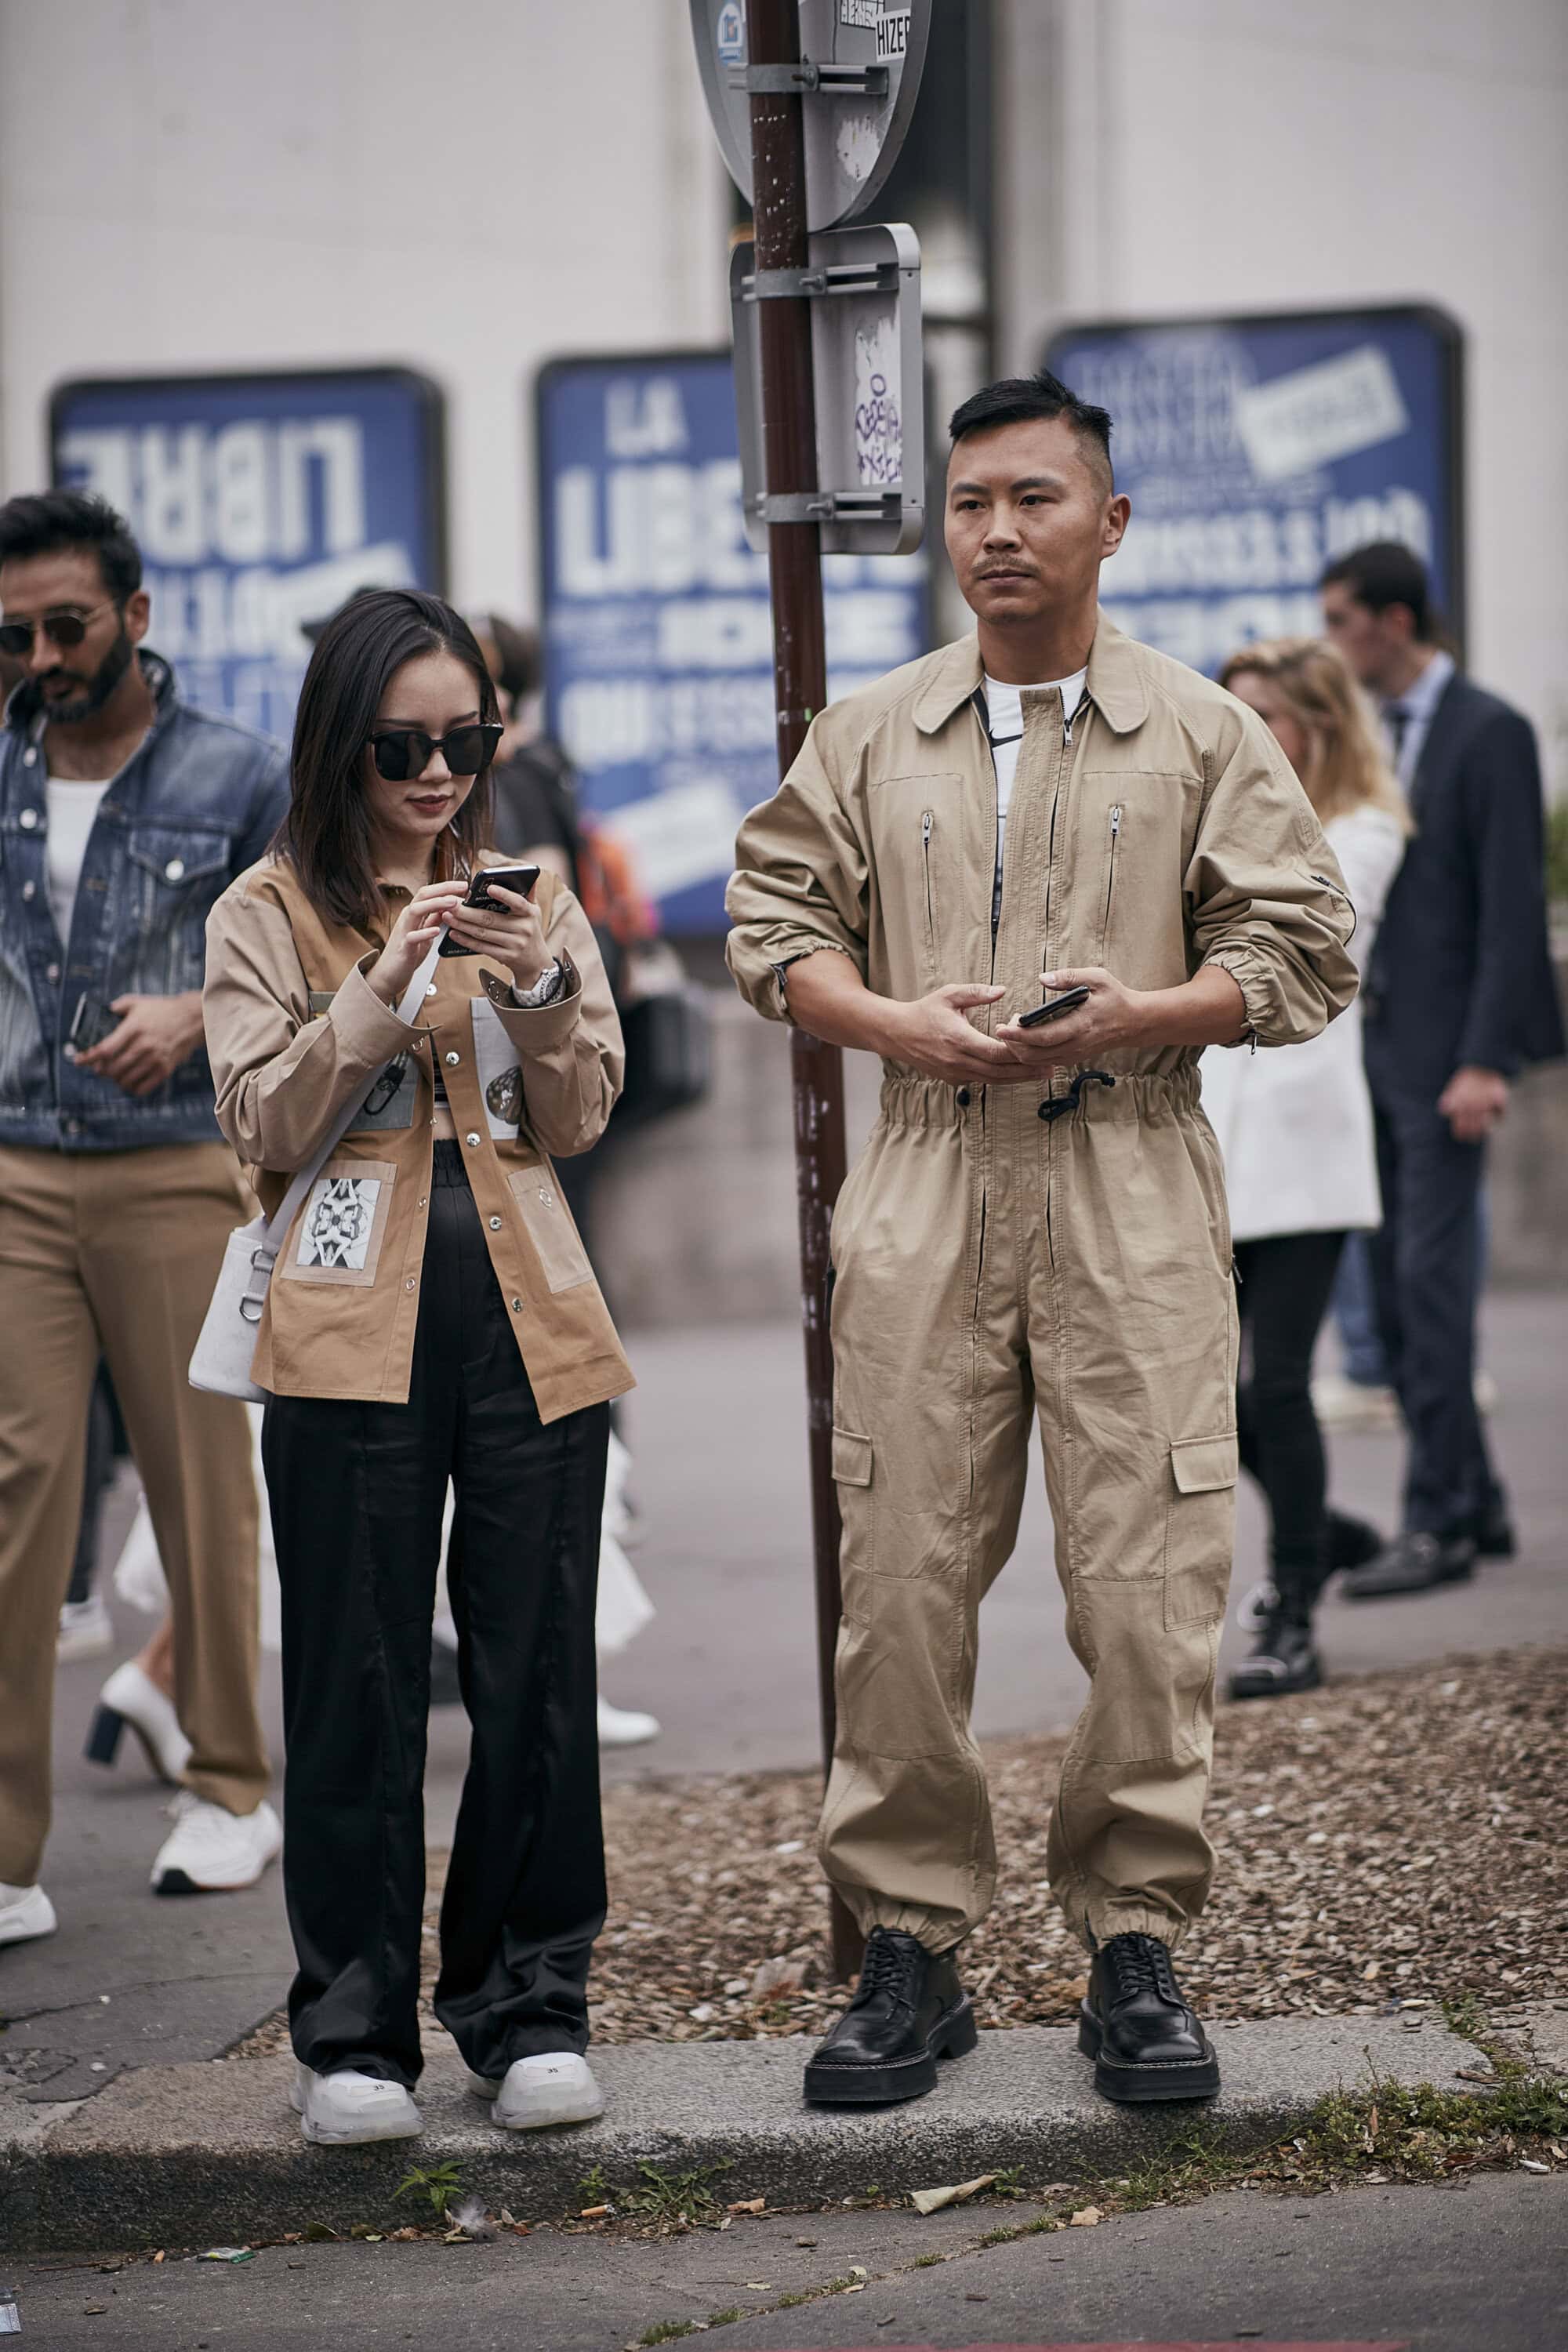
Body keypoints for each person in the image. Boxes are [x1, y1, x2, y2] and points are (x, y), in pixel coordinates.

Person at [727, 370, 1356, 2110]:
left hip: (1132, 1178)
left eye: (1032, 499)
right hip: (924, 1176)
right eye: (969, 504)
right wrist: (888, 1028)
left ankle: (1132, 1948)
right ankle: (912, 1951)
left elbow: (1305, 948)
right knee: (904, 1588)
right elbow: (769, 925)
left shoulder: (1201, 733)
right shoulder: (865, 734)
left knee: (1148, 1586)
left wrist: (1145, 1008)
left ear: (1108, 522)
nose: (995, 533)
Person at [204, 587, 633, 2148]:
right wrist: (380, 988)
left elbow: (581, 1120)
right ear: (340, 743)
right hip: (338, 1333)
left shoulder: (533, 894)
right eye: (403, 746)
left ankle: (529, 2011)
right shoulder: (265, 909)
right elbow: (259, 1126)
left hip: (532, 1319)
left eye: (467, 739)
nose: (440, 774)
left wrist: (534, 982)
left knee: (535, 1676)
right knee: (356, 1683)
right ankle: (355, 2039)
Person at [0, 491, 284, 1949]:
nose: (43, 655)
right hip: (15, 1164)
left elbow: (312, 938)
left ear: (136, 618)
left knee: (199, 1483)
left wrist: (199, 1008)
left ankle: (233, 1786)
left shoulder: (235, 769)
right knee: (19, 1487)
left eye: (68, 624)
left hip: (177, 1158)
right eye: (17, 633)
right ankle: (4, 1851)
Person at [1319, 543, 1565, 1595]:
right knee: (1387, 1283)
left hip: (1446, 1063)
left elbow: (1511, 912)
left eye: (1343, 620)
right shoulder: (1365, 732)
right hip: (1366, 1056)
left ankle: (1438, 1522)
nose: (1334, 640)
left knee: (1428, 1291)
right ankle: (1484, 1503)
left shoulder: (1490, 730)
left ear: (1396, 620)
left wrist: (1484, 1060)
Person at [1202, 640, 1408, 1694]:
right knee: (1202, 1393)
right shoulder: (1209, 825)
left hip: (1304, 1153)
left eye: (1266, 718)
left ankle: (1291, 1611)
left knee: (1277, 1386)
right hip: (1206, 1143)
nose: (1245, 739)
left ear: (1317, 728)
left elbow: (1303, 939)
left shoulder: (1362, 832)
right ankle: (1319, 1525)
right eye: (1231, 717)